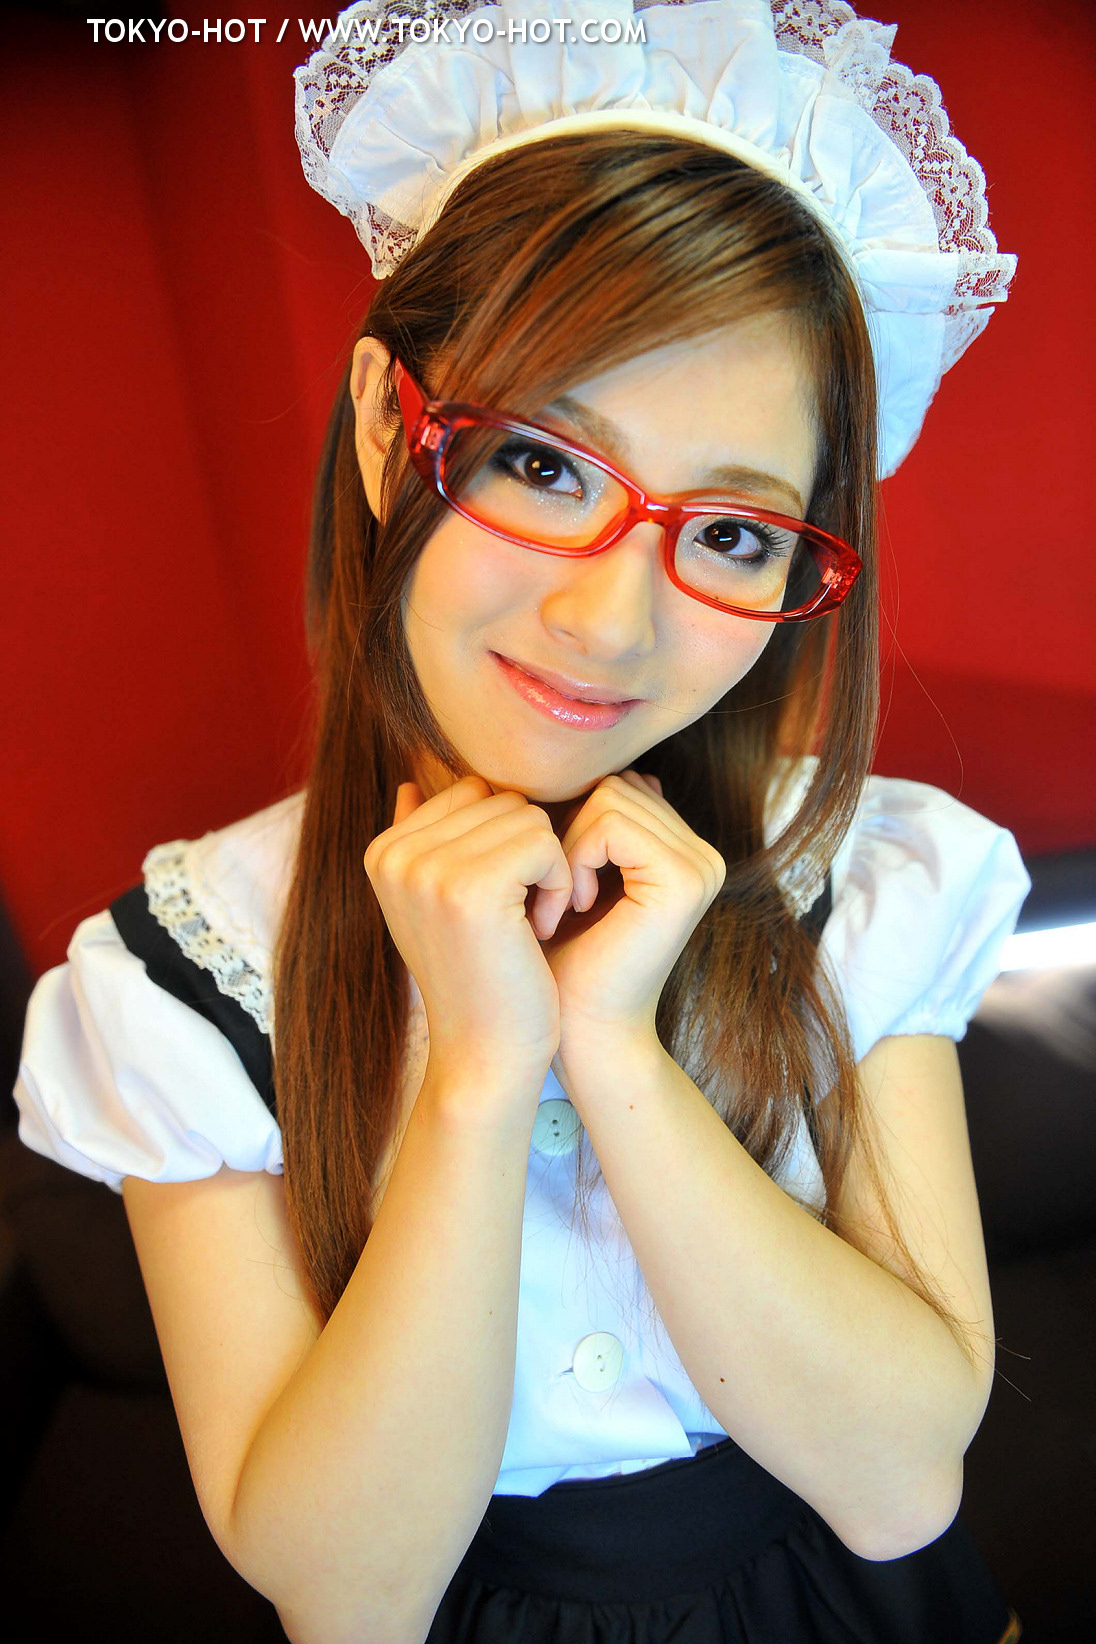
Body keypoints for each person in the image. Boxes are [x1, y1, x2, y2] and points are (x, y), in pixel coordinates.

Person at [14, 3, 1031, 1640]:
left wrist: (614, 1049)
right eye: (546, 465)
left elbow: (903, 1483)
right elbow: (348, 1601)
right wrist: (482, 1076)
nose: (610, 624)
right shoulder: (179, 978)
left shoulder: (858, 878)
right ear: (383, 425)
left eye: (734, 533)